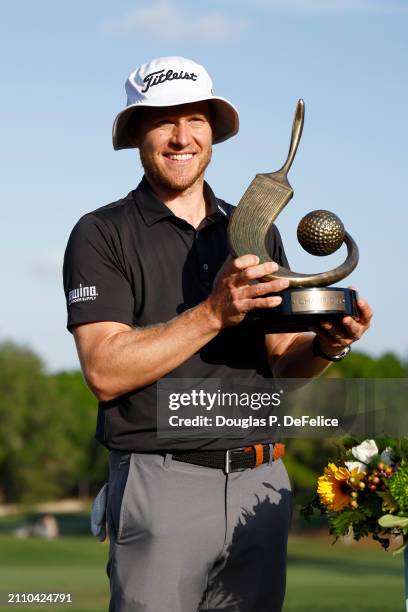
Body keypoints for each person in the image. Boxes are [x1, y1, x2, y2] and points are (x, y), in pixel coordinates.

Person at [63, 56, 372, 612]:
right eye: (164, 120)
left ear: (213, 131)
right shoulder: (101, 233)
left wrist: (327, 345)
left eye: (196, 119)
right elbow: (105, 371)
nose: (182, 137)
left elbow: (279, 365)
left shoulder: (255, 231)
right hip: (162, 484)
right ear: (136, 132)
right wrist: (211, 313)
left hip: (262, 486)